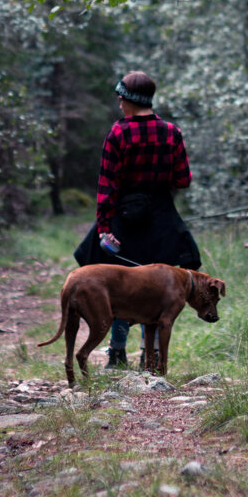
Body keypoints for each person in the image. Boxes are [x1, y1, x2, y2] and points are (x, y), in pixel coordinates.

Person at [73, 70, 201, 368]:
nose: (119, 106)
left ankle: (117, 354)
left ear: (128, 99)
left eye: (120, 99)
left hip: (125, 221)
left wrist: (105, 229)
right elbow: (183, 180)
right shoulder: (172, 132)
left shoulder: (118, 133)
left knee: (120, 284)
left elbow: (107, 186)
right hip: (161, 219)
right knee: (155, 287)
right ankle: (150, 355)